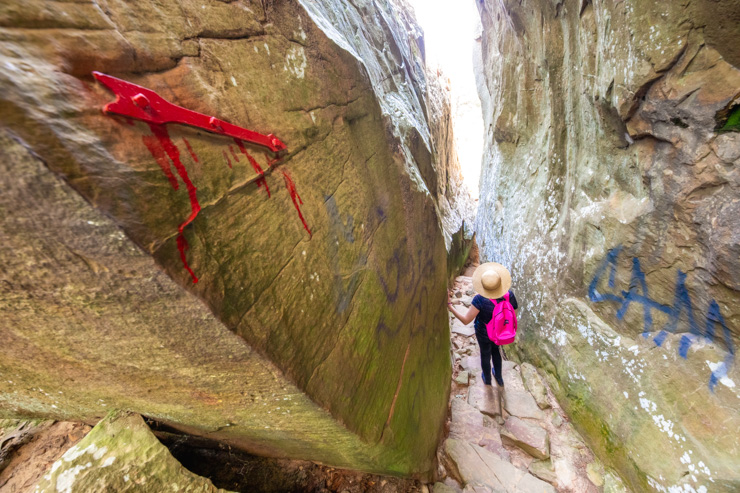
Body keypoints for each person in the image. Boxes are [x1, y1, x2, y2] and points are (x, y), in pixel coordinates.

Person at [447, 262, 517, 387]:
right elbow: (513, 312)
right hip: (500, 331)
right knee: (496, 351)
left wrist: (450, 307)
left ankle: (487, 378)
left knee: (485, 353)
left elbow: (465, 320)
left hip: (484, 332)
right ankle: (499, 378)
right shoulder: (509, 295)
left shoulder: (480, 299)